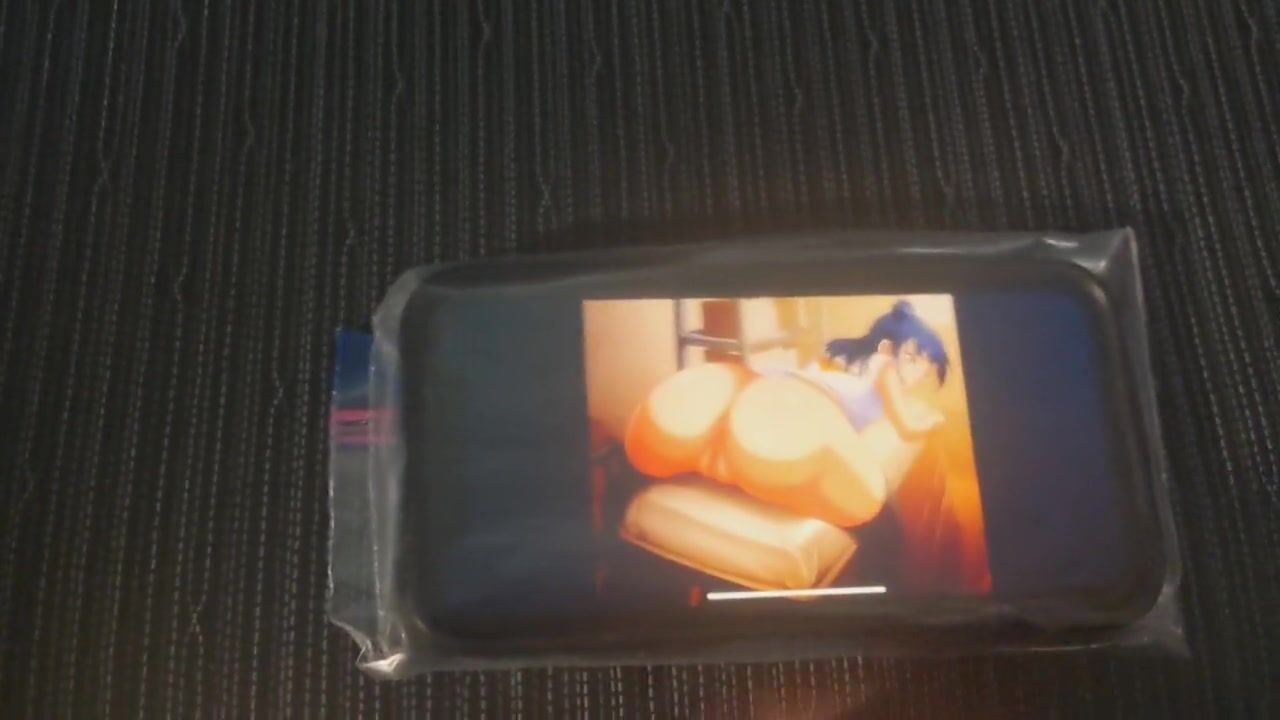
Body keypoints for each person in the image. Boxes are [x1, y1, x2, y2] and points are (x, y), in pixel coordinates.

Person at [624, 301, 951, 529]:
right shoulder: (886, 370)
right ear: (886, 348)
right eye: (914, 359)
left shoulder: (842, 356)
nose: (917, 373)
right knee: (867, 498)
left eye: (925, 369)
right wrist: (931, 421)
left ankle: (721, 434)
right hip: (806, 404)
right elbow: (906, 426)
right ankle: (744, 451)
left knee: (745, 397)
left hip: (768, 381)